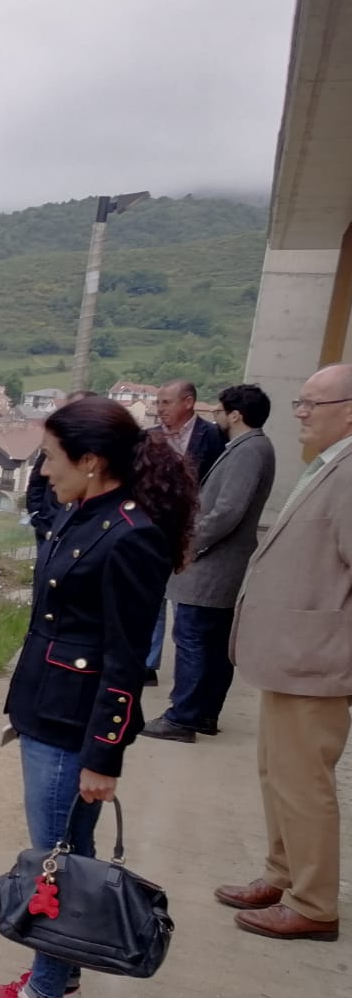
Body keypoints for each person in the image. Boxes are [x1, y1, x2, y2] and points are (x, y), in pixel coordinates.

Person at [0, 397, 197, 998]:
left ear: (91, 462)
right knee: (57, 853)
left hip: (72, 727)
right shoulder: (83, 513)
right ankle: (57, 984)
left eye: (53, 459)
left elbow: (125, 662)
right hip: (45, 706)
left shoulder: (130, 533)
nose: (43, 470)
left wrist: (103, 756)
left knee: (56, 859)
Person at [217, 362, 352, 942]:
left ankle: (315, 901)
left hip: (317, 659)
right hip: (291, 659)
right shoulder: (328, 467)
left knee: (304, 783)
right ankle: (282, 873)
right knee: (278, 773)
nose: (299, 414)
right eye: (299, 403)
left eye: (311, 404)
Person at [142, 384, 276, 743]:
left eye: (219, 410)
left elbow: (226, 512)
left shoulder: (249, 451)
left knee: (192, 639)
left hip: (212, 566)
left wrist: (189, 543)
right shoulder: (247, 448)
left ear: (235, 415)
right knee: (211, 643)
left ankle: (182, 718)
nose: (214, 417)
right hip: (218, 564)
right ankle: (202, 713)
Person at [144, 378, 225, 681]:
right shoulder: (149, 438)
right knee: (151, 598)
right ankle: (147, 663)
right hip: (152, 531)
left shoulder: (214, 437)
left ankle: (187, 672)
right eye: (158, 403)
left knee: (184, 607)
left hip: (192, 533)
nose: (160, 409)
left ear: (188, 402)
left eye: (166, 402)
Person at [25, 390, 97, 547]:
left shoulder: (100, 450)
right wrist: (37, 514)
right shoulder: (54, 443)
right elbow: (36, 481)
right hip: (49, 524)